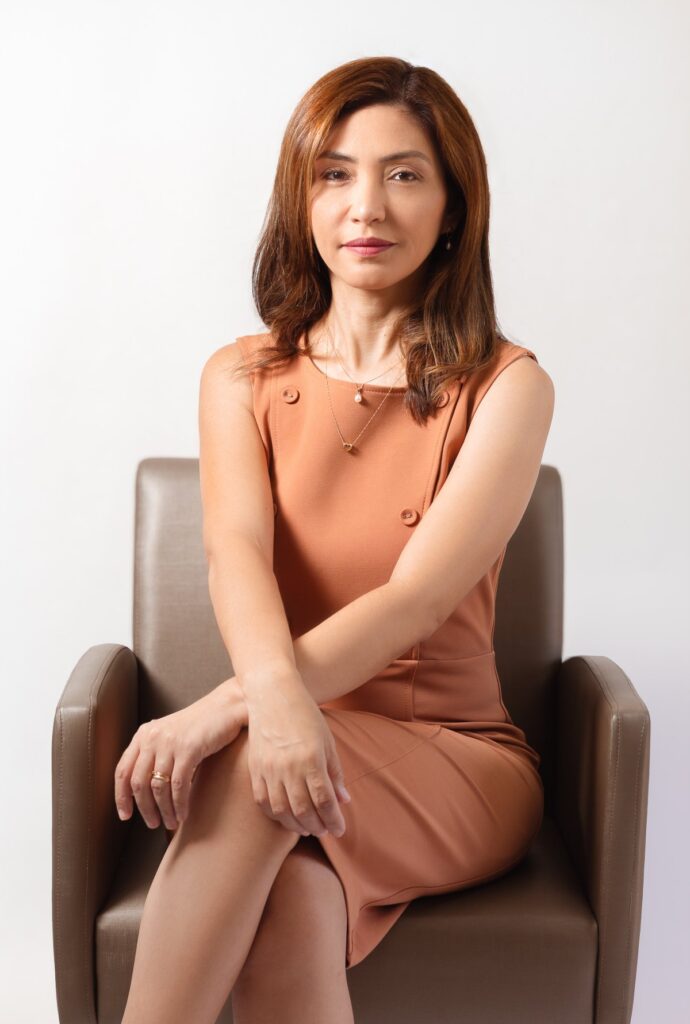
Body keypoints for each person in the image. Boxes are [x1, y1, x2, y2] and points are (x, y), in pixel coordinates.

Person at [115, 55, 555, 1024]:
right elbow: (234, 553)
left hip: (455, 757)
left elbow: (416, 600)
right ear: (302, 198)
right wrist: (278, 711)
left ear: (453, 206)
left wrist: (238, 709)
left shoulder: (508, 385)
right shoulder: (240, 375)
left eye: (404, 174)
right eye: (336, 173)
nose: (368, 205)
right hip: (294, 743)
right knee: (292, 900)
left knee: (246, 765)